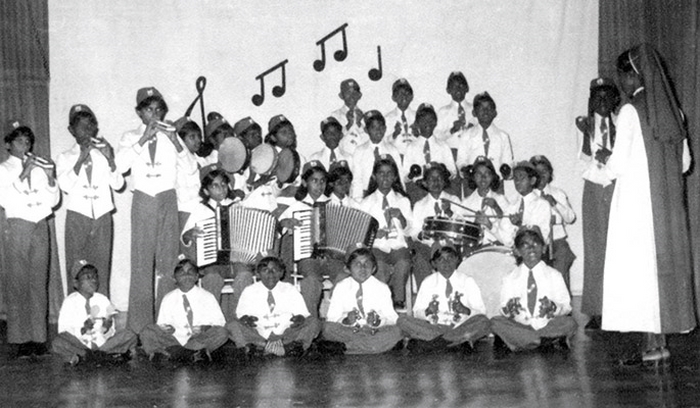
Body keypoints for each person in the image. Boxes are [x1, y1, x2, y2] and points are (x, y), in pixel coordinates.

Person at [602, 44, 695, 364]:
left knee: (638, 270)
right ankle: (659, 342)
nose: (621, 82)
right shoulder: (675, 112)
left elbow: (617, 165)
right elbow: (685, 163)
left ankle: (648, 344)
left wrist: (602, 163)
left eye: (622, 75)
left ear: (633, 75)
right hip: (666, 205)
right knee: (659, 268)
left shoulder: (630, 111)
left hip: (635, 203)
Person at [115, 87, 182, 333]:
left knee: (168, 263)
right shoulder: (129, 137)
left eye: (158, 110)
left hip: (167, 197)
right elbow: (120, 166)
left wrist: (175, 141)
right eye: (149, 110)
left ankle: (166, 323)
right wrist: (143, 138)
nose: (154, 114)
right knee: (141, 263)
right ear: (139, 113)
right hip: (143, 198)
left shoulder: (171, 135)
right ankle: (140, 326)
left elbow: (188, 167)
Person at [0, 120, 60, 357]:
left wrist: (51, 178)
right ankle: (19, 339)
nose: (24, 146)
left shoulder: (39, 167)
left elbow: (53, 201)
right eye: (19, 141)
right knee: (18, 282)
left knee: (38, 281)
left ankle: (39, 337)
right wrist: (24, 173)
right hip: (18, 226)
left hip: (40, 225)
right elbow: (3, 199)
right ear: (8, 145)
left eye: (27, 142)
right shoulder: (4, 169)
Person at [56, 104, 123, 296]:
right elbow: (65, 186)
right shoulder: (65, 157)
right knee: (75, 267)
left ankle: (102, 311)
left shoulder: (102, 153)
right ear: (71, 130)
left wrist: (111, 160)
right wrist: (80, 159)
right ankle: (75, 312)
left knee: (101, 267)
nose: (87, 130)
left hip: (102, 215)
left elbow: (118, 184)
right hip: (78, 215)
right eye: (81, 126)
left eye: (90, 126)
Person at [575, 77, 620, 330]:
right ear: (591, 101)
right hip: (594, 188)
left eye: (606, 96)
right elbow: (583, 160)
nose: (602, 101)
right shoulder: (584, 125)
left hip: (616, 187)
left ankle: (620, 307)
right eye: (597, 97)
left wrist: (610, 156)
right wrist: (586, 133)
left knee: (618, 246)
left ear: (615, 100)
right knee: (595, 248)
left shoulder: (622, 123)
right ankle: (597, 309)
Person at [490, 226, 577, 352]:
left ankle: (525, 341)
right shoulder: (510, 278)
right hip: (521, 324)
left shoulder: (554, 275)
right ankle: (544, 341)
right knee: (495, 322)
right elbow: (503, 307)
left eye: (536, 244)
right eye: (525, 245)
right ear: (517, 251)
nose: (531, 248)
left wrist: (554, 308)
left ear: (544, 248)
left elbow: (566, 306)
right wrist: (509, 309)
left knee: (570, 323)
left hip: (547, 324)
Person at [277, 161, 346, 317]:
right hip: (308, 258)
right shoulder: (296, 207)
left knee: (344, 277)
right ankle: (310, 319)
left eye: (322, 181)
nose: (319, 185)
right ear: (304, 182)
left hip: (332, 257)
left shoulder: (334, 204)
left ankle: (336, 316)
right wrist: (284, 223)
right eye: (314, 180)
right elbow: (279, 231)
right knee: (311, 280)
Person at [181, 166, 253, 313]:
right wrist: (189, 234)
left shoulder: (237, 206)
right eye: (215, 186)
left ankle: (242, 317)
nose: (221, 189)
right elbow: (184, 238)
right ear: (206, 191)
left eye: (223, 184)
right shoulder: (200, 210)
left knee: (245, 276)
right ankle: (211, 319)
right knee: (212, 278)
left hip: (237, 260)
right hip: (212, 261)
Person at [398, 243, 490, 353]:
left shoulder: (467, 281)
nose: (446, 263)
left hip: (460, 326)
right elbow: (417, 312)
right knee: (403, 320)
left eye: (450, 258)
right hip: (435, 327)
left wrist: (465, 310)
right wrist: (428, 311)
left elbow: (481, 311)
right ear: (434, 264)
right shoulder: (428, 282)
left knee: (484, 322)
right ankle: (454, 342)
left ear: (457, 260)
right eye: (441, 259)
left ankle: (437, 342)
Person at [228, 256, 321, 357]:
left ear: (281, 273)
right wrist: (246, 319)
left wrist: (300, 318)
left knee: (314, 322)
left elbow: (302, 312)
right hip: (259, 332)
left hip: (286, 332)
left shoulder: (289, 289)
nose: (270, 273)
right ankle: (266, 345)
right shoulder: (249, 290)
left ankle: (286, 346)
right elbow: (241, 314)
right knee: (232, 325)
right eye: (265, 270)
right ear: (258, 274)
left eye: (275, 270)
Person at [139, 259, 228, 363]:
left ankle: (178, 354)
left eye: (190, 272)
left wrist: (205, 328)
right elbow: (162, 324)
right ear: (175, 278)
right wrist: (168, 328)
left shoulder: (207, 297)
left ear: (196, 277)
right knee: (147, 331)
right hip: (175, 340)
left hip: (198, 339)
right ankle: (192, 354)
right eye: (181, 273)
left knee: (222, 332)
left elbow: (220, 323)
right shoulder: (168, 298)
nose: (186, 275)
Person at [52, 261, 137, 366]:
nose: (93, 280)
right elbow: (63, 331)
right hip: (80, 345)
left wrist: (107, 328)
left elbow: (111, 332)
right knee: (58, 342)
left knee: (129, 335)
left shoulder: (102, 300)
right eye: (88, 277)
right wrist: (83, 329)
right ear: (75, 283)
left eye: (95, 277)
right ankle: (105, 357)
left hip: (102, 346)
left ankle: (88, 358)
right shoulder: (69, 302)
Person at [322, 245, 403, 354]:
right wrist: (346, 320)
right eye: (357, 264)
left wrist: (378, 321)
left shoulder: (382, 288)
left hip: (375, 331)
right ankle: (373, 347)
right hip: (350, 331)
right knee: (327, 328)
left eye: (367, 264)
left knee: (396, 331)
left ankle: (346, 347)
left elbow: (392, 318)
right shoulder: (341, 287)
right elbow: (331, 318)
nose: (363, 268)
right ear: (348, 269)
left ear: (374, 268)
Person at [360, 156, 413, 309]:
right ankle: (382, 304)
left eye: (389, 173)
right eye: (381, 173)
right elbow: (361, 231)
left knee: (403, 262)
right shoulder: (366, 202)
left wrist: (401, 217)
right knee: (379, 266)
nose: (385, 177)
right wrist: (374, 234)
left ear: (395, 177)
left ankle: (398, 301)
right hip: (377, 246)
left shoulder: (403, 200)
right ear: (374, 176)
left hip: (397, 245)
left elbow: (410, 229)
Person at [409, 162, 462, 286]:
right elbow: (414, 232)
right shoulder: (419, 205)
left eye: (439, 178)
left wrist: (449, 212)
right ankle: (426, 293)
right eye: (431, 179)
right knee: (420, 258)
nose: (436, 182)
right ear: (425, 183)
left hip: (451, 245)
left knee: (448, 255)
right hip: (428, 246)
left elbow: (461, 225)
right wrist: (424, 234)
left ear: (444, 182)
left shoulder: (454, 200)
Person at [530, 155, 576, 290]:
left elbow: (570, 218)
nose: (541, 175)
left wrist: (555, 204)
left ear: (550, 173)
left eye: (544, 171)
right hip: (536, 242)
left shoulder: (558, 193)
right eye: (537, 172)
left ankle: (562, 300)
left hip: (556, 241)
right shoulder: (528, 196)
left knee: (562, 257)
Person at [403, 103, 457, 204]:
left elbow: (453, 172)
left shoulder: (443, 146)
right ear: (417, 123)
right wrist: (413, 175)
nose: (427, 123)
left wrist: (443, 172)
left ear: (435, 123)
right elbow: (405, 177)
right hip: (419, 190)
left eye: (431, 120)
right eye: (423, 120)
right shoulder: (411, 148)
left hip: (440, 188)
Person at [455, 92, 514, 182]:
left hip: (495, 183)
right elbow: (461, 161)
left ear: (495, 113)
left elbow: (508, 162)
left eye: (489, 108)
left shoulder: (503, 137)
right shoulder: (466, 135)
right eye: (481, 108)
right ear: (474, 113)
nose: (485, 111)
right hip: (473, 183)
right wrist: (464, 169)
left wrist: (507, 170)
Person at [496, 161, 551, 249]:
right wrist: (489, 226)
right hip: (516, 252)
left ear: (532, 180)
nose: (517, 182)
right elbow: (506, 240)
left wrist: (520, 224)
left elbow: (541, 238)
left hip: (534, 253)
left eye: (522, 178)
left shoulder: (542, 204)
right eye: (515, 178)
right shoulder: (512, 206)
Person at [350, 110, 402, 200]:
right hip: (366, 195)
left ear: (385, 129)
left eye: (381, 127)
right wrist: (358, 200)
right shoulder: (360, 151)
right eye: (373, 127)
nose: (378, 130)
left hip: (389, 195)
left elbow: (399, 175)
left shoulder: (393, 151)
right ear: (366, 130)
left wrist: (401, 197)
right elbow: (356, 179)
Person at [462, 156, 509, 247]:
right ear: (473, 177)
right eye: (479, 174)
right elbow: (463, 237)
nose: (483, 177)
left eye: (487, 173)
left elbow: (508, 236)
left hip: (497, 247)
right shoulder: (466, 203)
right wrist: (475, 224)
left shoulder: (501, 199)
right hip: (475, 249)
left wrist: (496, 208)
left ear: (493, 176)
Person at [174, 117, 208, 237]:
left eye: (199, 136)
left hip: (203, 210)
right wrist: (203, 192)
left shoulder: (202, 160)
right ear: (181, 140)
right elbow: (181, 194)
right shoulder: (177, 163)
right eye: (192, 137)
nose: (198, 140)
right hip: (187, 212)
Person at [436, 71, 476, 148]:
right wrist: (451, 130)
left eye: (461, 85)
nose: (458, 89)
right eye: (454, 86)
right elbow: (436, 136)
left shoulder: (475, 109)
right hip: (451, 152)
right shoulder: (443, 112)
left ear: (467, 88)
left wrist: (474, 128)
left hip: (471, 151)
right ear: (448, 90)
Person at [331, 78, 368, 157]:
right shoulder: (335, 116)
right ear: (341, 95)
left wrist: (359, 125)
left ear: (359, 95)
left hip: (363, 157)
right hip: (342, 157)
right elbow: (333, 139)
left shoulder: (366, 116)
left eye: (355, 92)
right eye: (348, 92)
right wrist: (348, 126)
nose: (352, 96)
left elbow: (370, 139)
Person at [384, 78, 417, 156]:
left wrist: (418, 134)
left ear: (412, 97)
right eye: (399, 93)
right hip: (396, 157)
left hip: (415, 156)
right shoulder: (388, 118)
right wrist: (394, 135)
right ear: (393, 98)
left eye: (407, 93)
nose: (404, 96)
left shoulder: (418, 117)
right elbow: (383, 142)